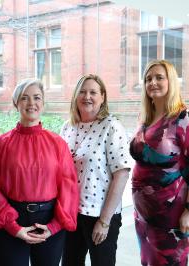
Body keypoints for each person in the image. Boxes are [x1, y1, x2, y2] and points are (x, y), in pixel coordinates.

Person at [0, 78, 79, 266]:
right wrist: (14, 228)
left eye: (37, 97)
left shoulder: (58, 143)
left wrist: (54, 226)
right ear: (16, 103)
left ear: (43, 103)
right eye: (25, 98)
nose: (31, 103)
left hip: (50, 221)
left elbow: (69, 187)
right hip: (11, 220)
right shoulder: (0, 144)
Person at [129, 59, 189, 265]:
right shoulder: (145, 117)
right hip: (143, 214)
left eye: (159, 77)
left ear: (171, 81)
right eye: (148, 79)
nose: (152, 82)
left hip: (171, 214)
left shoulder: (186, 117)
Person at [60, 74, 132, 266]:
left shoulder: (112, 127)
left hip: (99, 215)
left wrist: (104, 221)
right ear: (76, 96)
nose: (87, 96)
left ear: (102, 97)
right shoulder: (68, 127)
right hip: (71, 213)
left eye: (93, 92)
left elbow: (122, 174)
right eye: (82, 92)